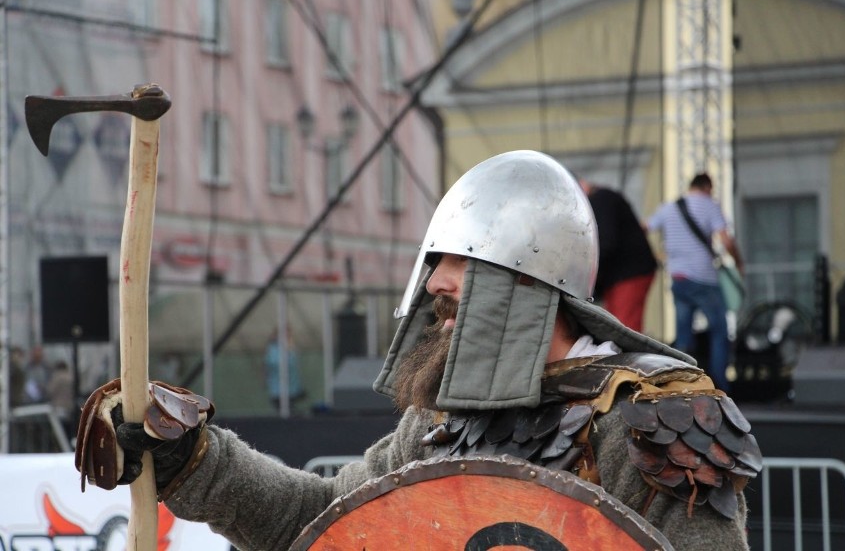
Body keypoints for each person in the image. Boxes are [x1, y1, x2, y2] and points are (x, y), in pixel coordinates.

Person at [76, 151, 759, 550]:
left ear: (528, 274)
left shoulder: (657, 418)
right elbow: (319, 519)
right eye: (435, 262)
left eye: (459, 261)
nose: (435, 283)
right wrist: (195, 459)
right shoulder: (440, 419)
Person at [645, 172, 745, 392]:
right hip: (703, 279)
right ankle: (720, 385)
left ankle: (682, 386)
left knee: (683, 335)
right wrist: (739, 262)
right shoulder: (709, 205)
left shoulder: (668, 208)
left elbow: (645, 227)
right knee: (719, 330)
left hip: (679, 278)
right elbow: (726, 240)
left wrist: (654, 257)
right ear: (707, 187)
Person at [579, 180, 657, 332]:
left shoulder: (600, 199)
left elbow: (606, 242)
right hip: (624, 273)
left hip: (629, 272)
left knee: (625, 328)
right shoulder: (602, 199)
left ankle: (629, 356)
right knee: (618, 327)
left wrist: (591, 279)